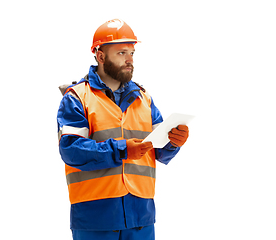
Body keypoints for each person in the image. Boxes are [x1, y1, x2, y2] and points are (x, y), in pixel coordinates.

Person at [57, 19, 189, 240]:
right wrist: (121, 150)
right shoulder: (77, 98)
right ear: (100, 56)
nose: (129, 60)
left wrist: (173, 142)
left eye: (132, 53)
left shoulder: (144, 99)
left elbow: (159, 151)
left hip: (140, 216)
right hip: (95, 217)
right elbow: (70, 150)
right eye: (121, 53)